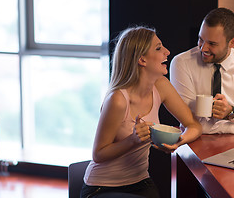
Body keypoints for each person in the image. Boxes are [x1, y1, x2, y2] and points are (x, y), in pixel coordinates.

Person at [81, 26, 202, 198]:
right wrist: (133, 140)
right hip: (103, 187)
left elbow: (194, 126)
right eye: (159, 48)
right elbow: (98, 154)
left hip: (140, 181)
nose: (167, 52)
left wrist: (178, 142)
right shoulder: (118, 100)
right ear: (142, 60)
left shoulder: (161, 86)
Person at [170, 7, 234, 143]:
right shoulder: (181, 63)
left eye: (212, 44)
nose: (203, 48)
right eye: (201, 39)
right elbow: (191, 124)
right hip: (195, 144)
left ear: (232, 42)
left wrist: (233, 112)